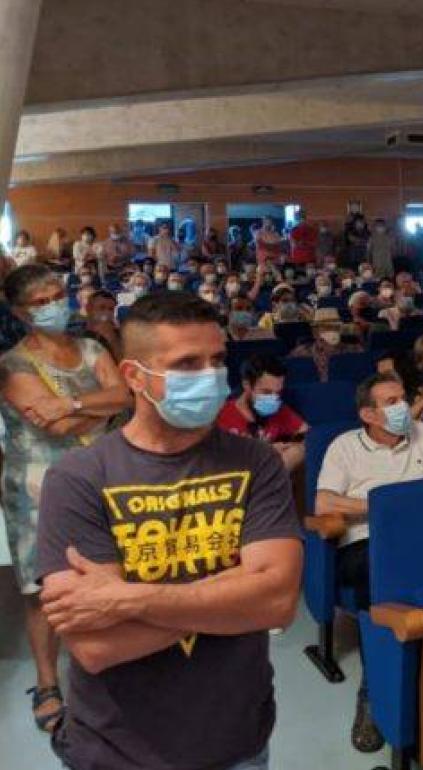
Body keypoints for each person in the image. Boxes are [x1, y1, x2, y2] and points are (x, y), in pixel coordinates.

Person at [35, 291, 301, 769]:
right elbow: (96, 646)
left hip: (239, 737)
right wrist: (235, 598)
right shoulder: (79, 477)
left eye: (217, 360)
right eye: (187, 364)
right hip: (118, 749)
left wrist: (128, 599)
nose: (210, 376)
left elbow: (277, 603)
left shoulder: (256, 461)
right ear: (135, 377)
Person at [0, 265, 131, 735]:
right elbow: (51, 427)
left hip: (98, 480)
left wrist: (74, 404)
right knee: (44, 591)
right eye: (41, 302)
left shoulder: (93, 348)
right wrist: (98, 407)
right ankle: (47, 681)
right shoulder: (12, 365)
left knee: (104, 573)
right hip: (38, 487)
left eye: (58, 294)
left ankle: (106, 666)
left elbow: (126, 397)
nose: (55, 304)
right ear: (20, 312)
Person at [315, 372, 423, 751]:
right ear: (368, 415)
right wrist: (386, 506)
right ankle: (375, 693)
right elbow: (324, 504)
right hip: (366, 543)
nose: (403, 406)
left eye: (402, 397)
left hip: (422, 537)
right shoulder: (344, 447)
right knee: (381, 574)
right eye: (391, 402)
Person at [217, 354, 308, 472]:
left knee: (299, 450)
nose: (273, 398)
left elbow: (307, 433)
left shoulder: (279, 410)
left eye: (278, 392)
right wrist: (263, 452)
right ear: (247, 385)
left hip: (268, 475)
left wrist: (290, 446)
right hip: (232, 475)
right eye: (266, 392)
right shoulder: (220, 414)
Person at [290, 321, 364, 382]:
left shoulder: (354, 349)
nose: (332, 331)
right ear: (315, 332)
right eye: (326, 328)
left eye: (335, 328)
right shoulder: (301, 352)